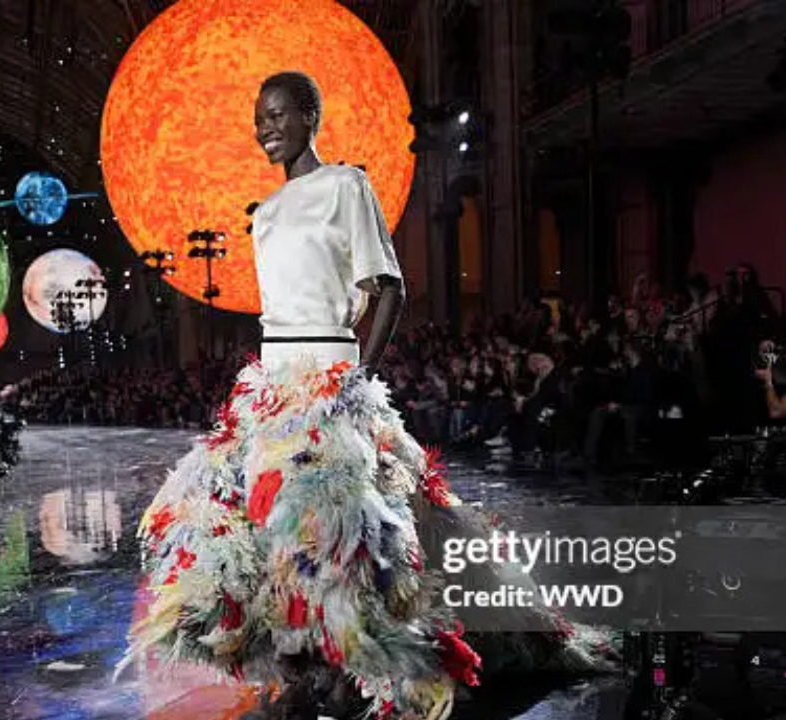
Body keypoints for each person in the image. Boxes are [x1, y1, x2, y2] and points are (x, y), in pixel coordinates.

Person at [116, 71, 614, 720]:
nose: (264, 126)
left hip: (332, 382)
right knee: (266, 538)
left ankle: (367, 666)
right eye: (257, 116)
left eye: (278, 114)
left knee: (350, 541)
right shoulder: (263, 215)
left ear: (309, 117)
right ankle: (306, 666)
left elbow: (388, 290)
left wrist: (357, 379)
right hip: (273, 389)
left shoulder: (345, 186)